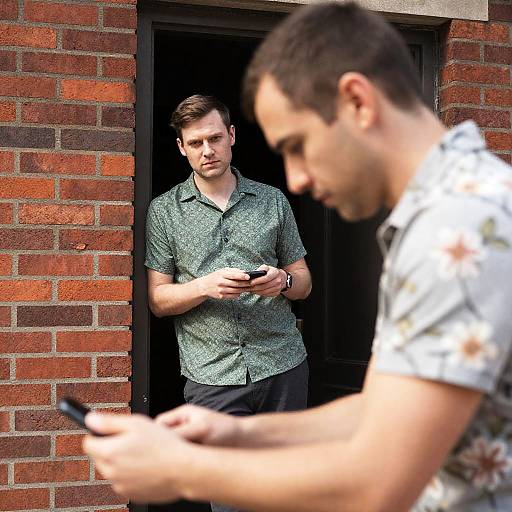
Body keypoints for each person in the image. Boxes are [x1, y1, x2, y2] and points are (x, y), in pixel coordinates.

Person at [84, 3, 512, 511]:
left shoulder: (458, 226)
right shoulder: (453, 209)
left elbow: (382, 476)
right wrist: (238, 436)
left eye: (297, 144)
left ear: (357, 100)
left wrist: (181, 468)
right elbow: (385, 412)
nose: (297, 179)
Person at [144, 94, 312, 511]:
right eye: (196, 143)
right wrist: (204, 287)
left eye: (215, 138)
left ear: (232, 136)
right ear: (181, 148)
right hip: (212, 376)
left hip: (283, 366)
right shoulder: (164, 212)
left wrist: (282, 280)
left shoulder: (272, 200)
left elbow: (305, 282)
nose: (208, 151)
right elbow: (158, 300)